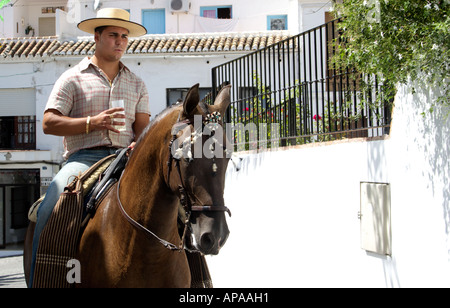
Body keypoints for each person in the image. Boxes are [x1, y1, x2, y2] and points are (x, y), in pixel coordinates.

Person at [29, 8, 150, 287]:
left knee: (177, 205)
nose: (120, 41)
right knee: (52, 205)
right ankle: (40, 279)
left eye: (124, 36)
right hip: (83, 160)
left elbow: (141, 129)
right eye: (113, 35)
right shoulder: (72, 77)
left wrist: (137, 146)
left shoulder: (137, 82)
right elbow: (48, 122)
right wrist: (91, 123)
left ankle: (195, 279)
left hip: (126, 158)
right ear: (97, 37)